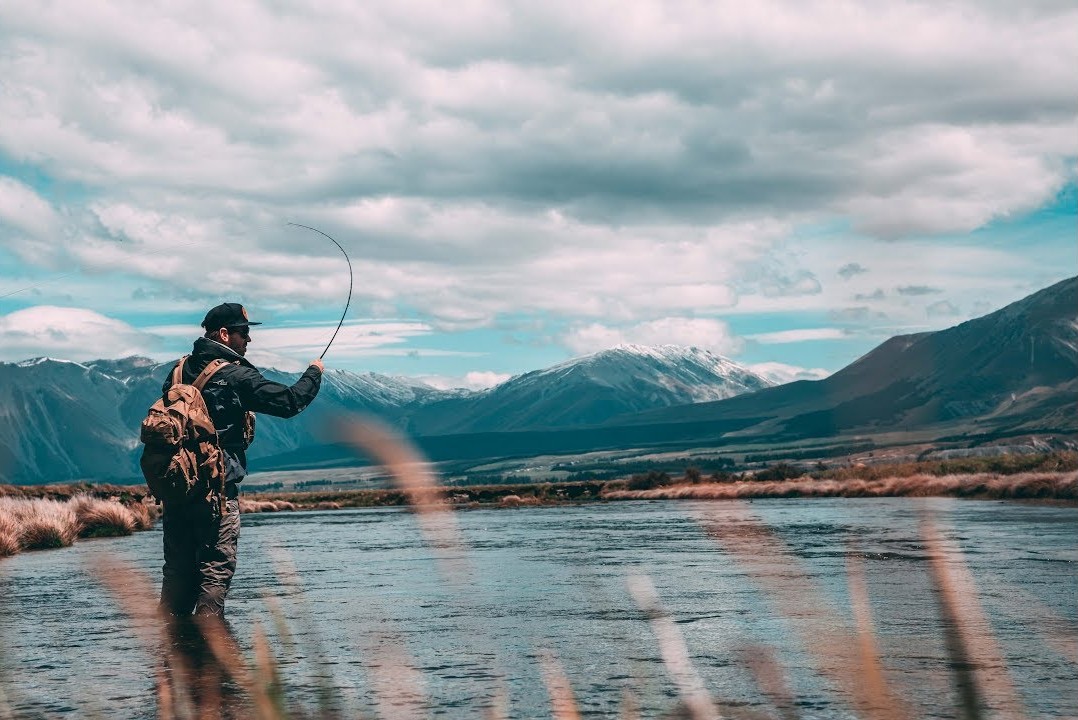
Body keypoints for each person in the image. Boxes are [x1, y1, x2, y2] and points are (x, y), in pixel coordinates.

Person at [158, 302, 324, 617]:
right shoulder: (235, 375)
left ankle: (168, 650)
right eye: (243, 333)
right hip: (216, 493)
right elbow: (290, 402)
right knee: (216, 568)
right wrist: (314, 372)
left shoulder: (177, 372)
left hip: (176, 489)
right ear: (224, 334)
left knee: (177, 573)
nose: (249, 340)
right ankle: (210, 644)